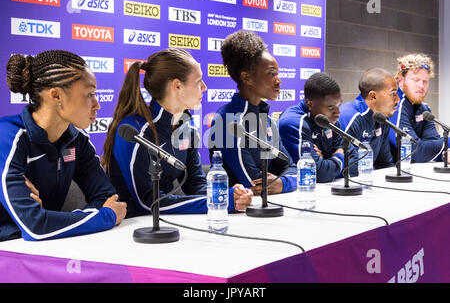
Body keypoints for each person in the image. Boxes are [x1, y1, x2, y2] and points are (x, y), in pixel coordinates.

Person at [102, 48, 252, 218]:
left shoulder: (186, 126)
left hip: (165, 224)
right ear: (177, 86)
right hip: (128, 229)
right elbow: (149, 202)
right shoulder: (136, 130)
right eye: (199, 81)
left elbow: (195, 184)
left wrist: (227, 194)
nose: (204, 87)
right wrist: (218, 200)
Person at [0, 50, 127, 242]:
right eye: (89, 94)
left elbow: (108, 199)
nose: (97, 105)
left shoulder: (77, 139)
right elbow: (35, 227)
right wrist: (105, 217)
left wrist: (53, 221)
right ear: (56, 95)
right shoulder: (8, 137)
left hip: (46, 249)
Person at [209, 30, 296, 195]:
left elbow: (293, 168)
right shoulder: (226, 120)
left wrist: (284, 184)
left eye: (277, 73)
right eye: (271, 74)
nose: (279, 80)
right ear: (246, 78)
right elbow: (253, 184)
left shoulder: (267, 120)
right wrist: (285, 182)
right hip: (236, 214)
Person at [278, 72, 357, 182]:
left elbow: (356, 163)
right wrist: (339, 156)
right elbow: (317, 174)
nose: (338, 113)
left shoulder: (331, 120)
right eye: (331, 107)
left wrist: (326, 161)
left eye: (339, 105)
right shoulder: (293, 122)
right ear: (310, 104)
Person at [389, 54, 449, 163]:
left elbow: (433, 144)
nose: (421, 85)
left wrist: (445, 154)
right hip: (387, 174)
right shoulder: (394, 106)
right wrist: (447, 142)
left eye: (425, 81)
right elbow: (416, 153)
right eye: (416, 80)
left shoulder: (424, 109)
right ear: (401, 81)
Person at [339, 68, 400, 170]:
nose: (398, 99)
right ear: (373, 96)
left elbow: (385, 163)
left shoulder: (382, 119)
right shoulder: (351, 117)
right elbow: (347, 169)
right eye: (393, 94)